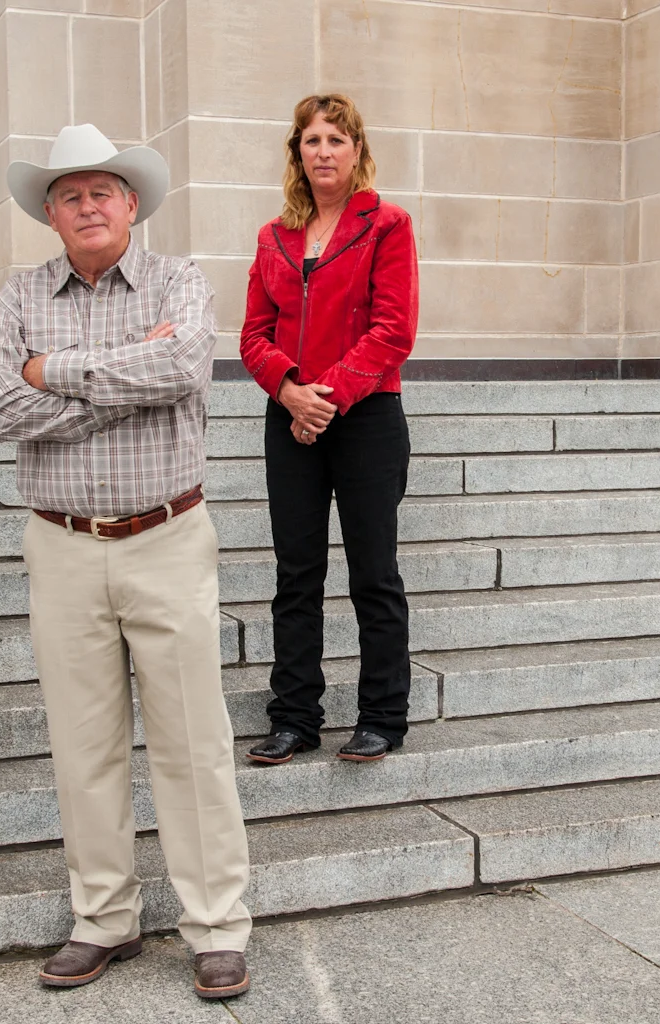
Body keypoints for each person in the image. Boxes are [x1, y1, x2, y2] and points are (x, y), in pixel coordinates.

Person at [0, 124, 252, 1000]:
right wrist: (120, 380)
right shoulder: (14, 297)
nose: (88, 204)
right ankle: (104, 918)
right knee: (81, 745)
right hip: (60, 544)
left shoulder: (178, 280)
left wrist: (52, 369)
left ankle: (216, 925)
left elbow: (183, 365)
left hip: (167, 537)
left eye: (102, 190)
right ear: (48, 213)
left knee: (191, 743)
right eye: (69, 193)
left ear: (131, 203)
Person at [238, 93, 419, 766]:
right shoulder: (273, 237)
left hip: (366, 415)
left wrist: (327, 398)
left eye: (335, 140)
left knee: (373, 573)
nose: (322, 152)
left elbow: (393, 330)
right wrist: (289, 391)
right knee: (296, 573)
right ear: (297, 154)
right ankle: (293, 718)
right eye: (311, 141)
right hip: (290, 418)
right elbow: (253, 335)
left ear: (356, 151)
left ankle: (381, 716)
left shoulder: (387, 224)